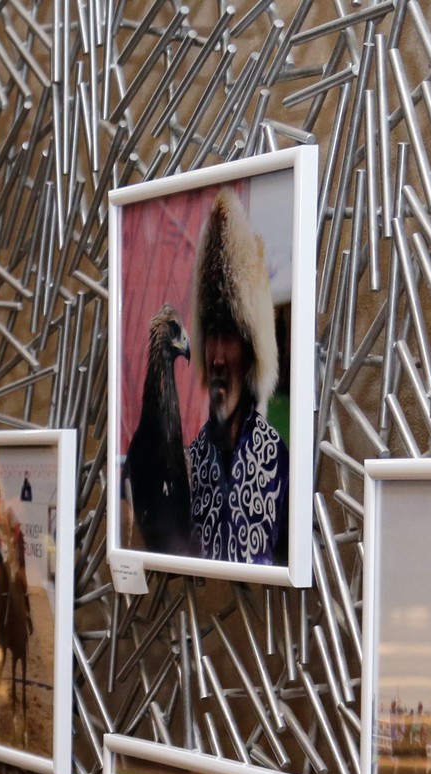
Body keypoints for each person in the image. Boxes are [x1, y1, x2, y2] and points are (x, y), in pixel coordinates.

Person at [186, 188, 289, 565]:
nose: (215, 357)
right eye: (211, 334)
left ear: (250, 350)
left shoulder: (279, 465)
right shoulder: (190, 464)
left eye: (228, 335)